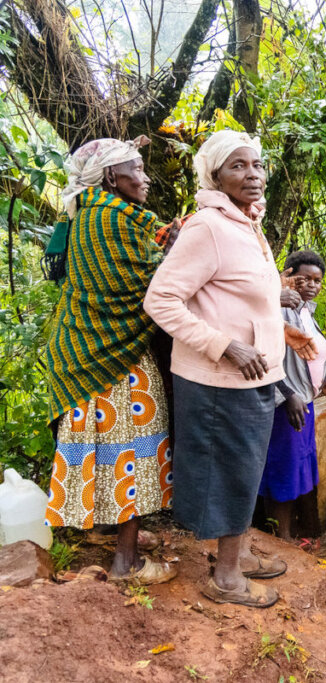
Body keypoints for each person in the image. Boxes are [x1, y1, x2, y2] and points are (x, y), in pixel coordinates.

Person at [145, 130, 289, 608]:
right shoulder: (207, 227)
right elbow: (160, 299)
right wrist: (222, 344)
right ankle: (226, 578)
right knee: (230, 470)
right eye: (239, 166)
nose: (253, 174)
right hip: (218, 381)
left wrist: (287, 335)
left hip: (256, 377)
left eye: (257, 165)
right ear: (215, 175)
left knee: (246, 469)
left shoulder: (247, 222)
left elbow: (246, 296)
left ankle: (241, 554)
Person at [43, 137, 177, 585]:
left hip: (83, 352)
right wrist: (175, 251)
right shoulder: (109, 221)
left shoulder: (94, 216)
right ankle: (126, 562)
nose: (145, 177)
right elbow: (150, 282)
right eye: (136, 169)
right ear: (110, 178)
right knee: (130, 453)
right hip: (112, 359)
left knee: (106, 452)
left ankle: (116, 540)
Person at [259, 250, 326, 542]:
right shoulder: (276, 309)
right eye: (304, 278)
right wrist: (287, 392)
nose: (311, 285)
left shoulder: (306, 310)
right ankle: (283, 537)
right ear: (287, 275)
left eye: (317, 280)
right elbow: (268, 356)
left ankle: (292, 532)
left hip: (304, 399)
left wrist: (322, 384)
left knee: (298, 467)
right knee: (284, 468)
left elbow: (306, 357)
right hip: (285, 404)